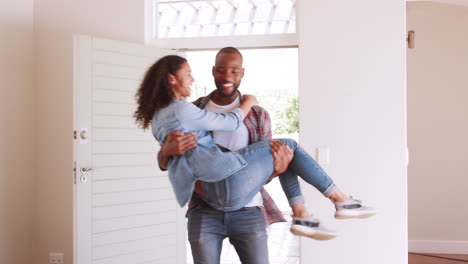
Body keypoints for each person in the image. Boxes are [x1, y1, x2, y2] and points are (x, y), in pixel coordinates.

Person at [134, 51, 376, 257]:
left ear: (242, 73)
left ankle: (309, 213)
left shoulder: (258, 115)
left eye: (234, 70)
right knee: (289, 144)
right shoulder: (191, 108)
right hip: (207, 206)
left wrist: (278, 167)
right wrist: (165, 152)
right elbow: (168, 160)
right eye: (221, 70)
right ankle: (336, 202)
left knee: (284, 152)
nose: (227, 75)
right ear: (213, 71)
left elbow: (269, 165)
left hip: (247, 208)